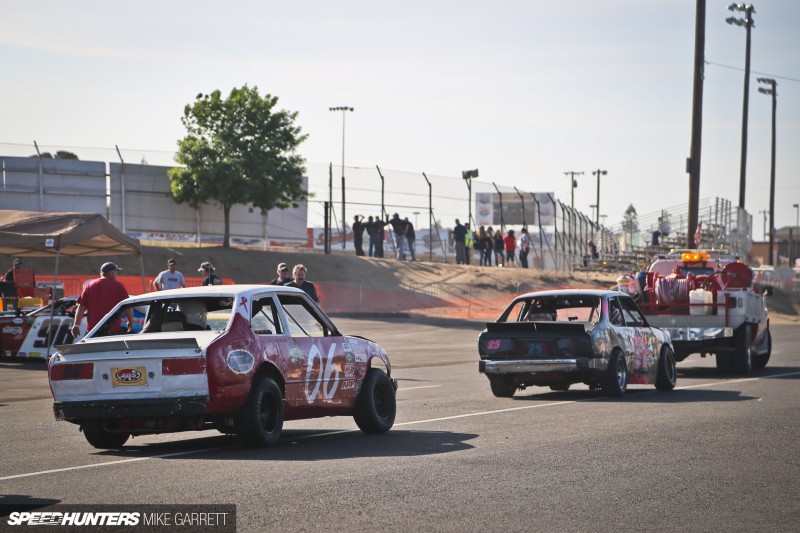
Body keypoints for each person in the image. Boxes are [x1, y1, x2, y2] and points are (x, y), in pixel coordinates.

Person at [71, 262, 134, 338]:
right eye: (115, 272)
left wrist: (76, 324)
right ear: (111, 273)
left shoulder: (89, 285)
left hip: (92, 331)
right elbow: (127, 307)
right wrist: (130, 323)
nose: (116, 275)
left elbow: (81, 307)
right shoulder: (118, 286)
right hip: (112, 331)